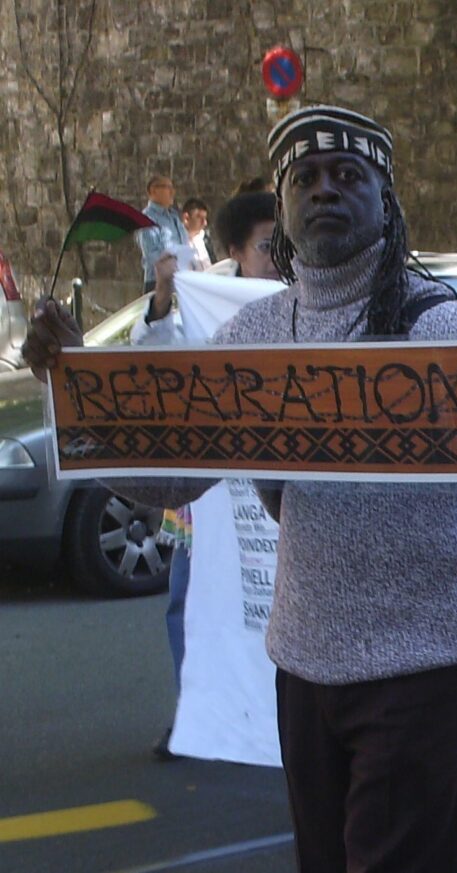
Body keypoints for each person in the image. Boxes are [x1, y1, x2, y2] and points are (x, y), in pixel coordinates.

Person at [24, 104, 457, 873]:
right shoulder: (254, 336)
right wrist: (72, 386)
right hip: (306, 665)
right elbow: (165, 479)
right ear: (283, 207)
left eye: (348, 175)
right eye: (306, 178)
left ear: (384, 200)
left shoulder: (444, 326)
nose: (325, 190)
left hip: (421, 670)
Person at [131, 192, 282, 760]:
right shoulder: (206, 302)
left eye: (283, 245)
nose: (277, 257)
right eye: (268, 246)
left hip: (278, 503)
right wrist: (167, 296)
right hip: (214, 499)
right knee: (190, 603)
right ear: (236, 250)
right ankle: (198, 712)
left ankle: (273, 714)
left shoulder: (306, 302)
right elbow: (162, 373)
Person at [137, 175, 190, 292]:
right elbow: (151, 255)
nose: (172, 192)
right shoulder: (147, 219)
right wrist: (175, 260)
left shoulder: (174, 217)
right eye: (167, 187)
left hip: (181, 280)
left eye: (172, 188)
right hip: (159, 283)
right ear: (153, 190)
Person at [181, 197, 214, 271]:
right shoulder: (178, 240)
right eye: (199, 218)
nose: (204, 223)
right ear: (186, 218)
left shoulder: (205, 238)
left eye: (205, 218)